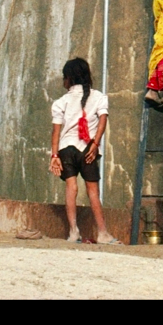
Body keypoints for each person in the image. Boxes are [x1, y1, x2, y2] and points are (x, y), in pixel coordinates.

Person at [50, 58, 117, 243]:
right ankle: (102, 233)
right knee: (93, 191)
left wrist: (54, 156)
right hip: (87, 148)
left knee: (71, 188)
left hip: (65, 149)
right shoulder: (99, 97)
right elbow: (102, 121)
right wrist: (95, 144)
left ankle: (73, 232)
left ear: (69, 79)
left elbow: (56, 132)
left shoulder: (60, 102)